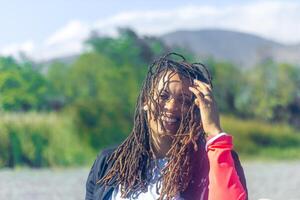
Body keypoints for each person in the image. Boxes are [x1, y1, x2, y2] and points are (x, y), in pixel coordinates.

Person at [85, 53, 248, 200]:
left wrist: (214, 131)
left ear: (196, 108)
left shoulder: (213, 161)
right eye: (163, 96)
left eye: (184, 100)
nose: (171, 107)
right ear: (145, 101)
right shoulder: (110, 163)